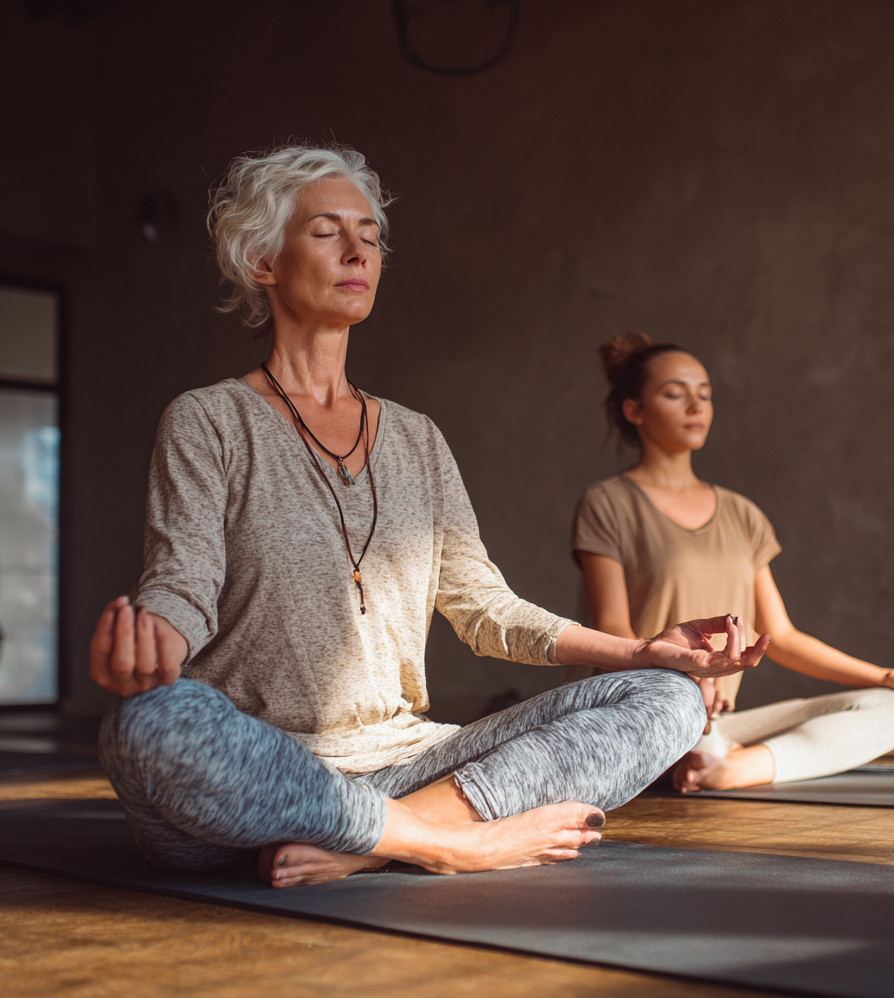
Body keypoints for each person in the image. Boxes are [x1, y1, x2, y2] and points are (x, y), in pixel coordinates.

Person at [89, 145, 769, 888]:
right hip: (258, 776)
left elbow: (484, 609)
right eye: (327, 232)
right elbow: (181, 583)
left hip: (409, 765)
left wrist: (640, 651)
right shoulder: (208, 420)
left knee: (668, 697)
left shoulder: (417, 439)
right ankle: (446, 844)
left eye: (371, 236)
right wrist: (152, 646)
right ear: (263, 261)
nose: (359, 251)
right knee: (147, 721)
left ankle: (382, 838)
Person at [572, 332, 894, 793]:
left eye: (705, 394)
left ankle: (729, 768)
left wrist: (887, 676)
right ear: (635, 410)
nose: (696, 406)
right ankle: (697, 759)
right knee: (665, 732)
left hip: (713, 721)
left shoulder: (742, 514)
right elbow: (613, 630)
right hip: (639, 715)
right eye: (675, 394)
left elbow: (780, 637)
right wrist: (685, 677)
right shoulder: (607, 504)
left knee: (891, 708)